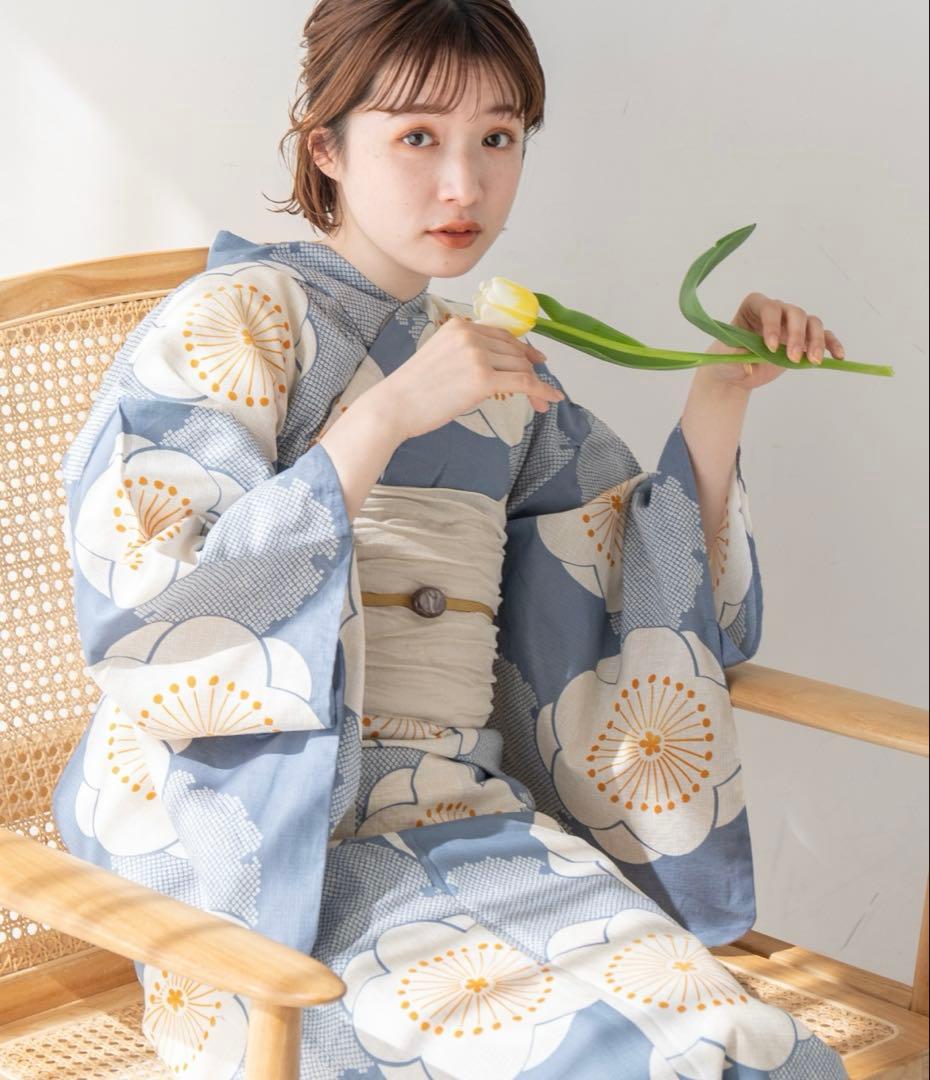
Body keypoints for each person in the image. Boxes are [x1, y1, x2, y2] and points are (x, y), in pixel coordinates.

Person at [52, 1, 849, 1076]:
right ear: (327, 149)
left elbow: (638, 594)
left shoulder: (491, 369)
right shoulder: (230, 321)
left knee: (756, 1052)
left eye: (498, 137)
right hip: (272, 863)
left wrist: (721, 393)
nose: (464, 184)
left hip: (477, 823)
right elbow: (154, 605)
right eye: (418, 136)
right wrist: (383, 418)